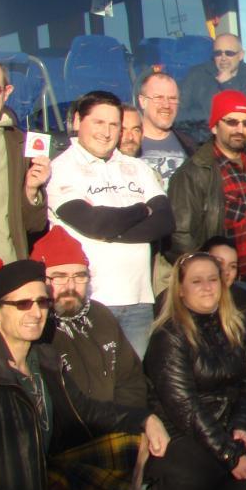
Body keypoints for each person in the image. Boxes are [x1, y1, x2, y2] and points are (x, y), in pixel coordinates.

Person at [0, 257, 168, 490]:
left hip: (43, 487)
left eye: (42, 302)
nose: (36, 312)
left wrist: (145, 419)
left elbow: (86, 410)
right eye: (22, 304)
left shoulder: (43, 359)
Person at [167, 90, 246, 423]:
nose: (239, 128)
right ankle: (227, 439)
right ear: (214, 124)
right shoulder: (196, 173)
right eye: (231, 121)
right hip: (225, 288)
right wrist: (206, 280)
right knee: (228, 367)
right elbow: (180, 236)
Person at [141, 251, 246, 490]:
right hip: (181, 430)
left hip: (223, 421)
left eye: (213, 279)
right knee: (204, 459)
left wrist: (242, 425)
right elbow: (184, 408)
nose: (207, 287)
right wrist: (231, 454)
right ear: (181, 289)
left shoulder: (234, 325)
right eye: (197, 281)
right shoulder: (169, 335)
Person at [47, 91, 175, 358]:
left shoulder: (136, 167)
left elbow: (164, 221)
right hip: (90, 301)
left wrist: (110, 230)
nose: (107, 132)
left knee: (132, 388)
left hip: (139, 300)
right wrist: (142, 209)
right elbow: (94, 222)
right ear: (78, 121)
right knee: (96, 388)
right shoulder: (61, 167)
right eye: (99, 122)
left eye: (114, 124)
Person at [32, 226, 146, 407]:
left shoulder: (100, 315)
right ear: (40, 281)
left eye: (79, 276)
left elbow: (130, 379)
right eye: (59, 277)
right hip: (69, 431)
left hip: (118, 424)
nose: (70, 286)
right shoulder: (34, 324)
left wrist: (130, 420)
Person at [0, 56, 50, 262]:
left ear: (7, 93)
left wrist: (32, 190)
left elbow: (34, 227)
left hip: (7, 274)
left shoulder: (22, 145)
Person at [180, 34, 246, 123]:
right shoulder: (197, 74)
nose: (223, 58)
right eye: (218, 53)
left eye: (229, 53)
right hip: (198, 132)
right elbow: (180, 110)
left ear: (241, 55)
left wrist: (229, 83)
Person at [136, 68, 195, 190]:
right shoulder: (127, 144)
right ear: (142, 102)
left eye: (172, 99)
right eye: (158, 98)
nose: (166, 105)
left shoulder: (191, 146)